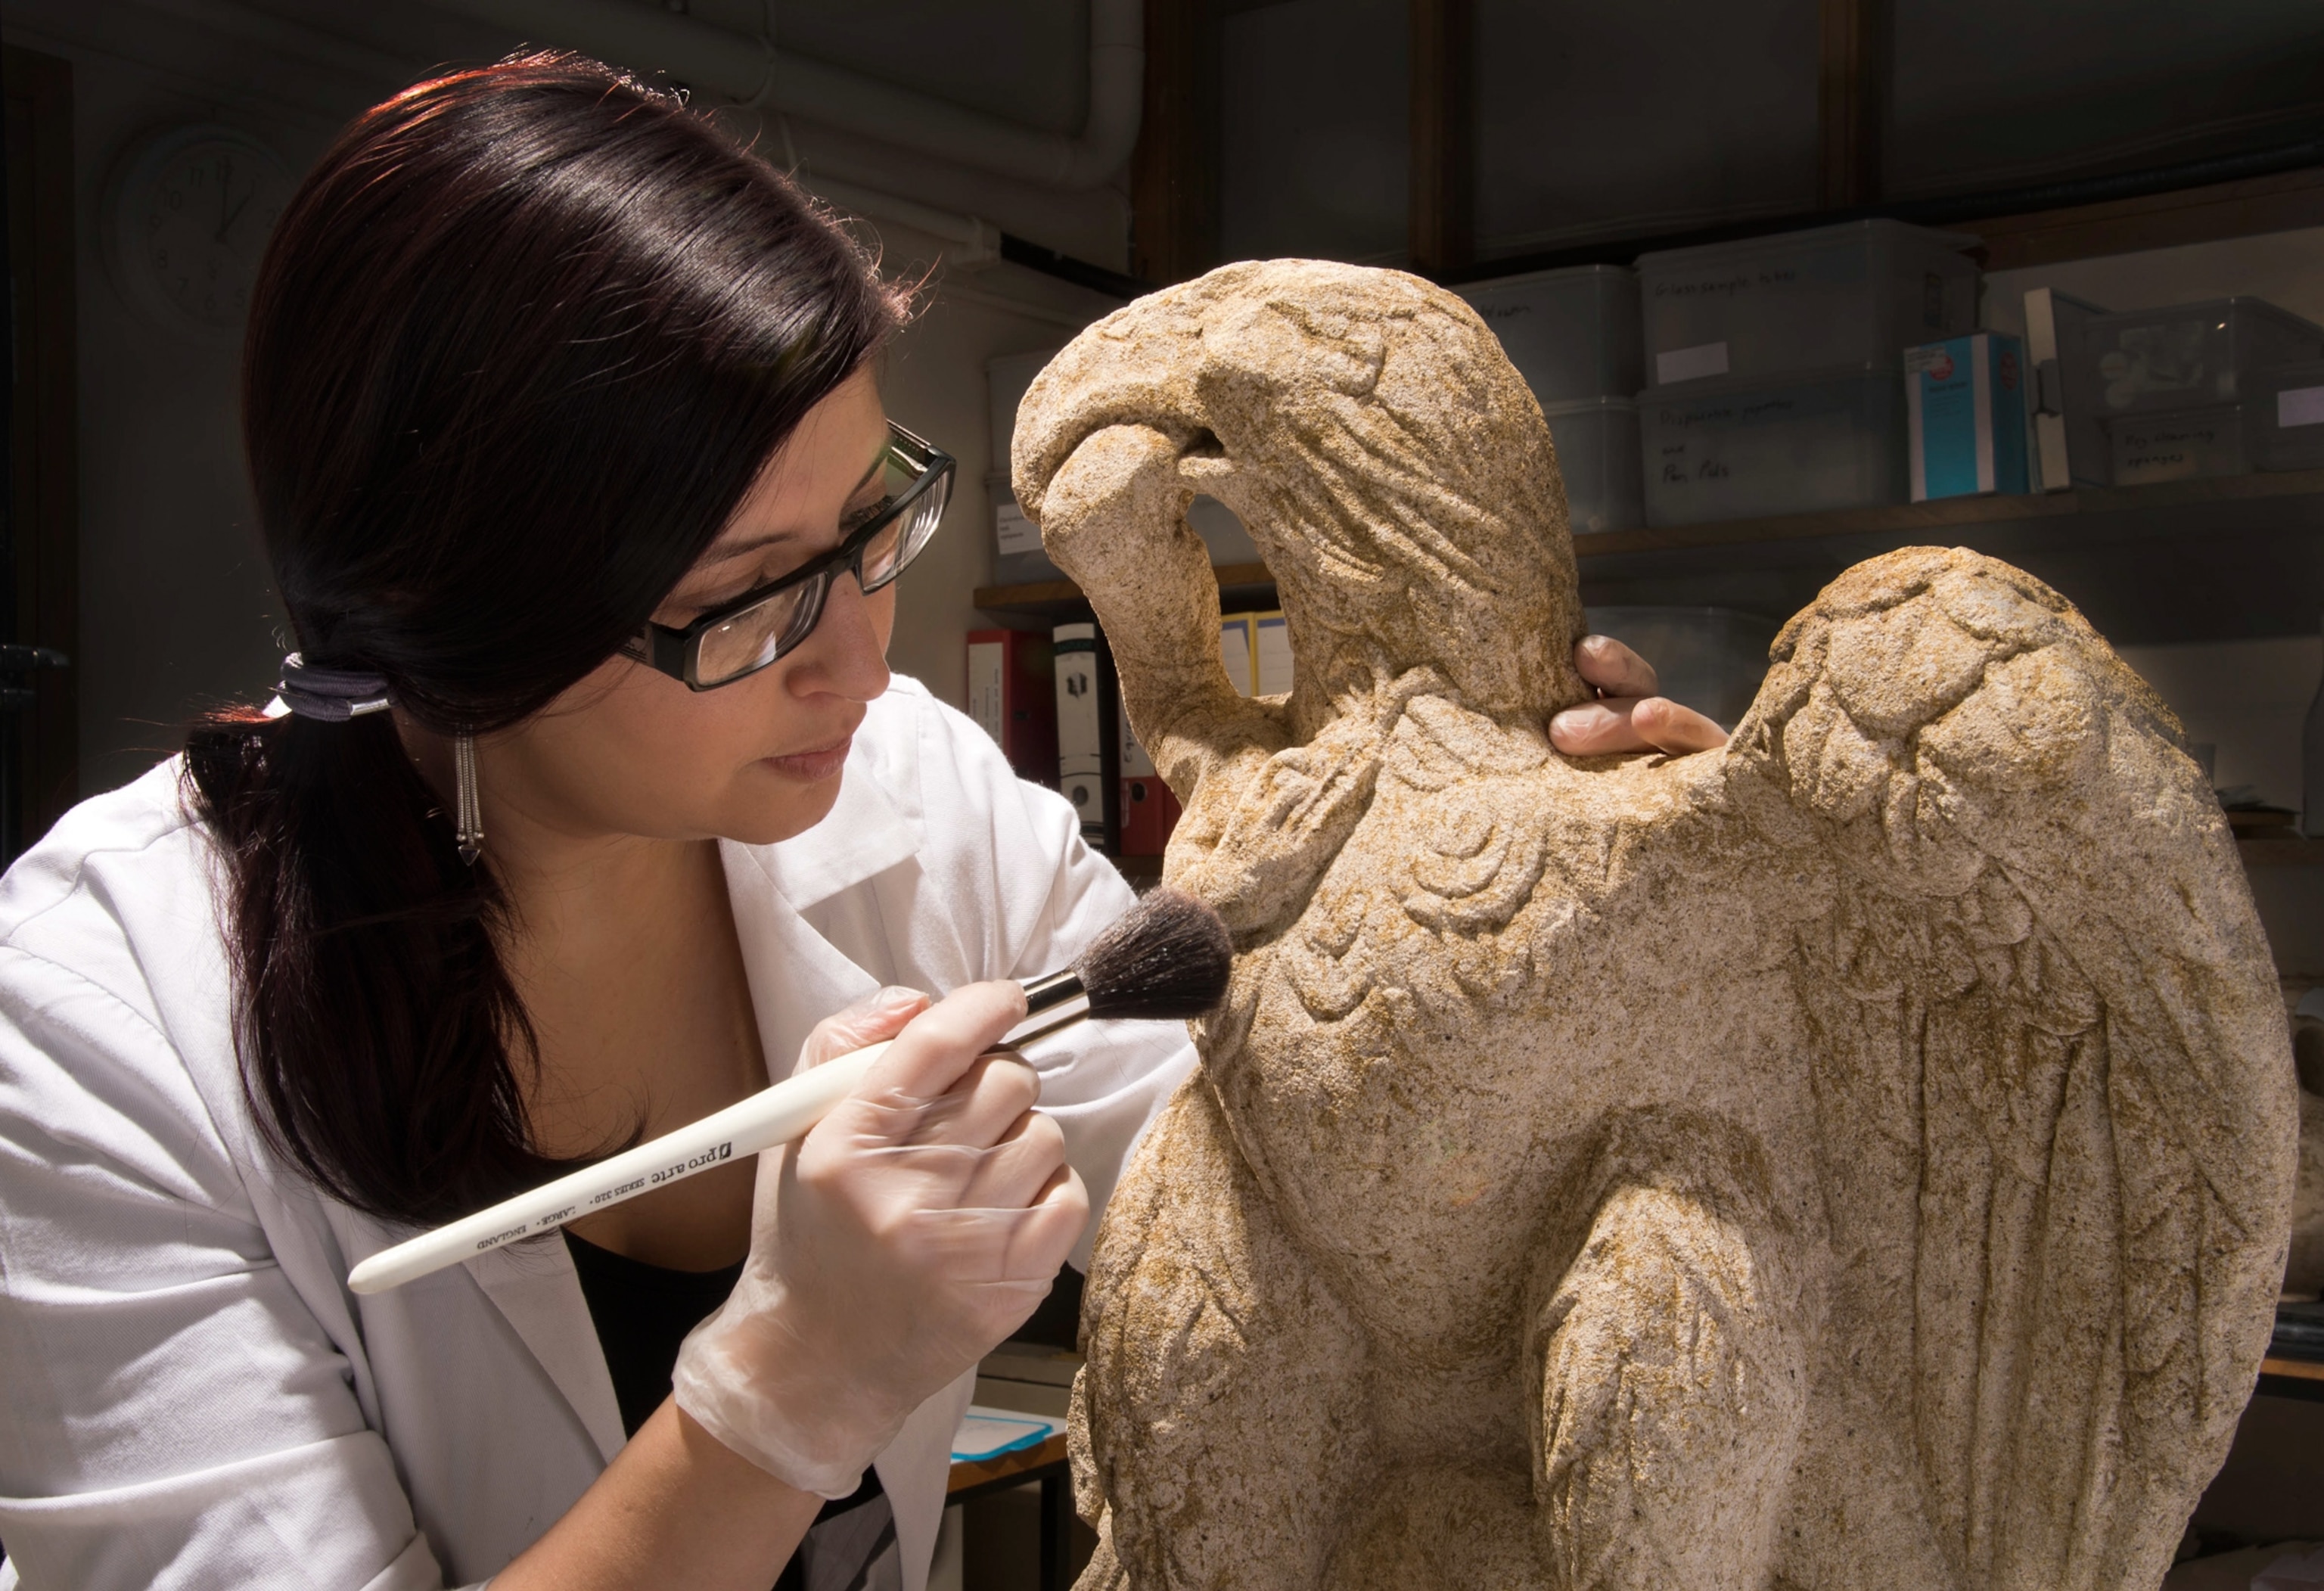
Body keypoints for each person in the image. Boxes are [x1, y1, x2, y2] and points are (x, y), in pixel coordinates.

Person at [0, 54, 1724, 1591]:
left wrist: (1599, 940)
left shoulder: (913, 791)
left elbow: (1314, 1180)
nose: (859, 655)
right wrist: (783, 1391)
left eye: (871, 518)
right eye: (754, 598)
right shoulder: (94, 1021)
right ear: (463, 635)